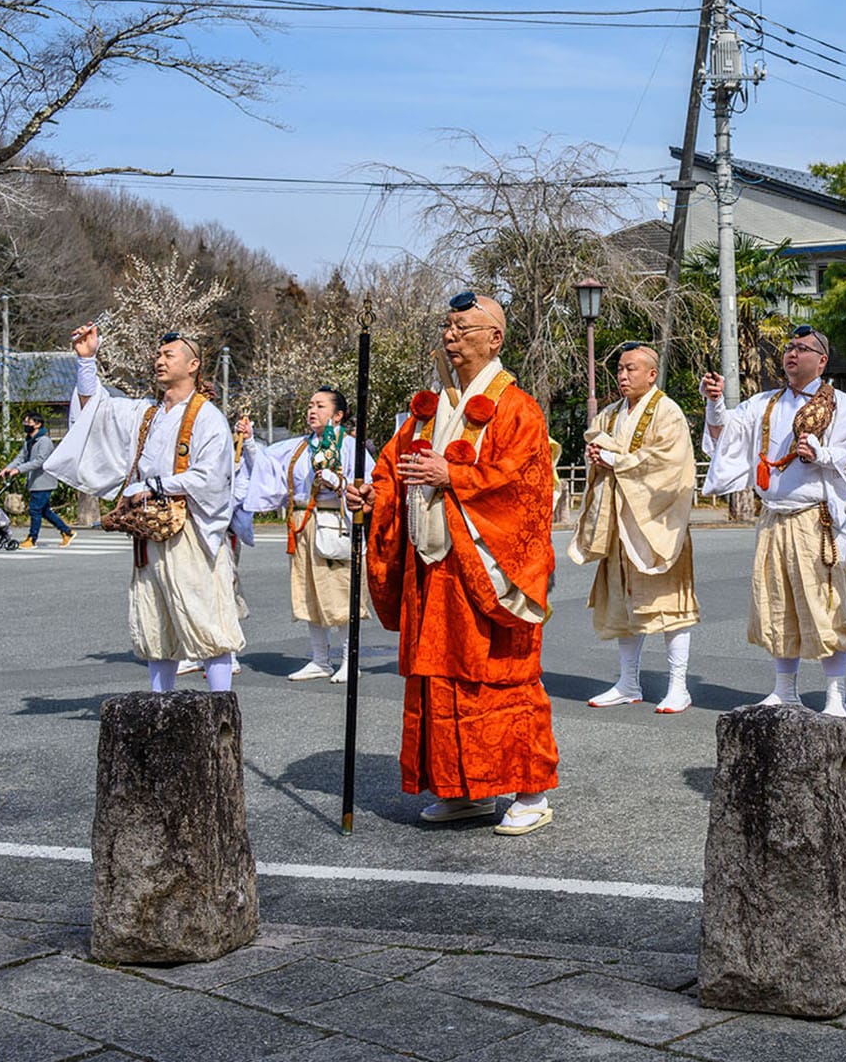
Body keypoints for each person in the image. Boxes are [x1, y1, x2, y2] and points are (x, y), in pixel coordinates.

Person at [345, 291, 558, 835]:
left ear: (495, 338)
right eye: (447, 326)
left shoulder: (517, 409)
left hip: (484, 574)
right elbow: (395, 470)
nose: (450, 336)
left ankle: (530, 791)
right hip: (431, 572)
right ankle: (461, 791)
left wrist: (455, 477)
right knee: (438, 680)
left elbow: (525, 488)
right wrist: (374, 498)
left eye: (464, 327)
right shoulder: (429, 409)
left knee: (499, 679)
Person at [45, 325, 244, 693]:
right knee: (155, 622)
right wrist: (86, 360)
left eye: (169, 355)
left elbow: (212, 478)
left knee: (205, 620)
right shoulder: (148, 415)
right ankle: (160, 704)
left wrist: (155, 485)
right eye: (158, 355)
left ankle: (221, 708)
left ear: (193, 364)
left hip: (190, 532)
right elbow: (97, 413)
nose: (160, 360)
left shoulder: (207, 417)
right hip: (150, 532)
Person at [700, 326, 846, 715]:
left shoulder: (841, 405)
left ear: (822, 360)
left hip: (817, 519)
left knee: (824, 604)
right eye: (790, 348)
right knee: (777, 603)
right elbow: (726, 439)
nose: (792, 354)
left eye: (803, 349)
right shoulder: (764, 403)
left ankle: (835, 693)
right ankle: (784, 689)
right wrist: (714, 403)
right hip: (774, 517)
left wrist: (823, 454)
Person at [569, 343, 701, 713]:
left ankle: (679, 686)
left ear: (652, 374)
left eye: (631, 369)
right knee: (623, 607)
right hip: (618, 523)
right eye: (620, 369)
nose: (623, 376)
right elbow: (595, 441)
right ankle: (628, 682)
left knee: (672, 606)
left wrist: (614, 458)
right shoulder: (611, 413)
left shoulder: (667, 411)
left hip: (658, 526)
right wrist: (600, 456)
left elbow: (670, 464)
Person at [234, 388, 366, 682]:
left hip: (334, 522)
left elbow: (368, 487)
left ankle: (349, 659)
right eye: (310, 405)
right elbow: (269, 468)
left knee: (341, 593)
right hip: (302, 523)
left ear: (338, 415)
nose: (312, 411)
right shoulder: (298, 447)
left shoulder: (349, 447)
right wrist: (252, 441)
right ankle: (320, 659)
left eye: (320, 406)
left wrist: (340, 484)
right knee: (308, 593)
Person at [0, 411, 76, 548]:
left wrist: (19, 470)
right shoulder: (29, 441)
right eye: (25, 422)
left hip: (44, 481)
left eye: (29, 423)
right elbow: (21, 457)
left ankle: (32, 539)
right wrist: (8, 468)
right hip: (35, 481)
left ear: (38, 424)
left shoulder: (44, 441)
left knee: (35, 510)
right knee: (44, 511)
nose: (26, 425)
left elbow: (40, 461)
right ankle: (67, 532)